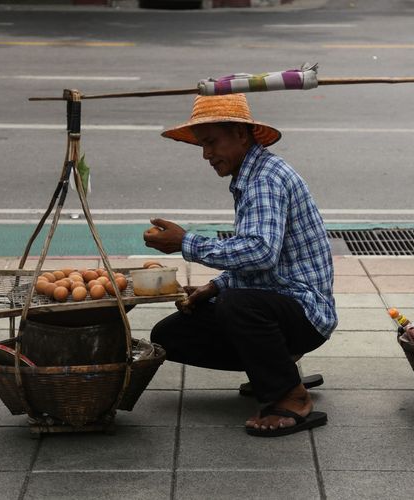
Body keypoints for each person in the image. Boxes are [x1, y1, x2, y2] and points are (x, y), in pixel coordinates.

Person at [143, 93, 337, 437]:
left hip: (306, 312)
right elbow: (260, 260)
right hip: (278, 302)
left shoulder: (264, 180)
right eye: (202, 145)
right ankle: (276, 368)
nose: (206, 154)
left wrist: (184, 243)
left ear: (241, 135)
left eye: (212, 142)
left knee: (238, 305)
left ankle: (291, 396)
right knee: (169, 336)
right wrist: (214, 286)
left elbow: (260, 253)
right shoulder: (251, 175)